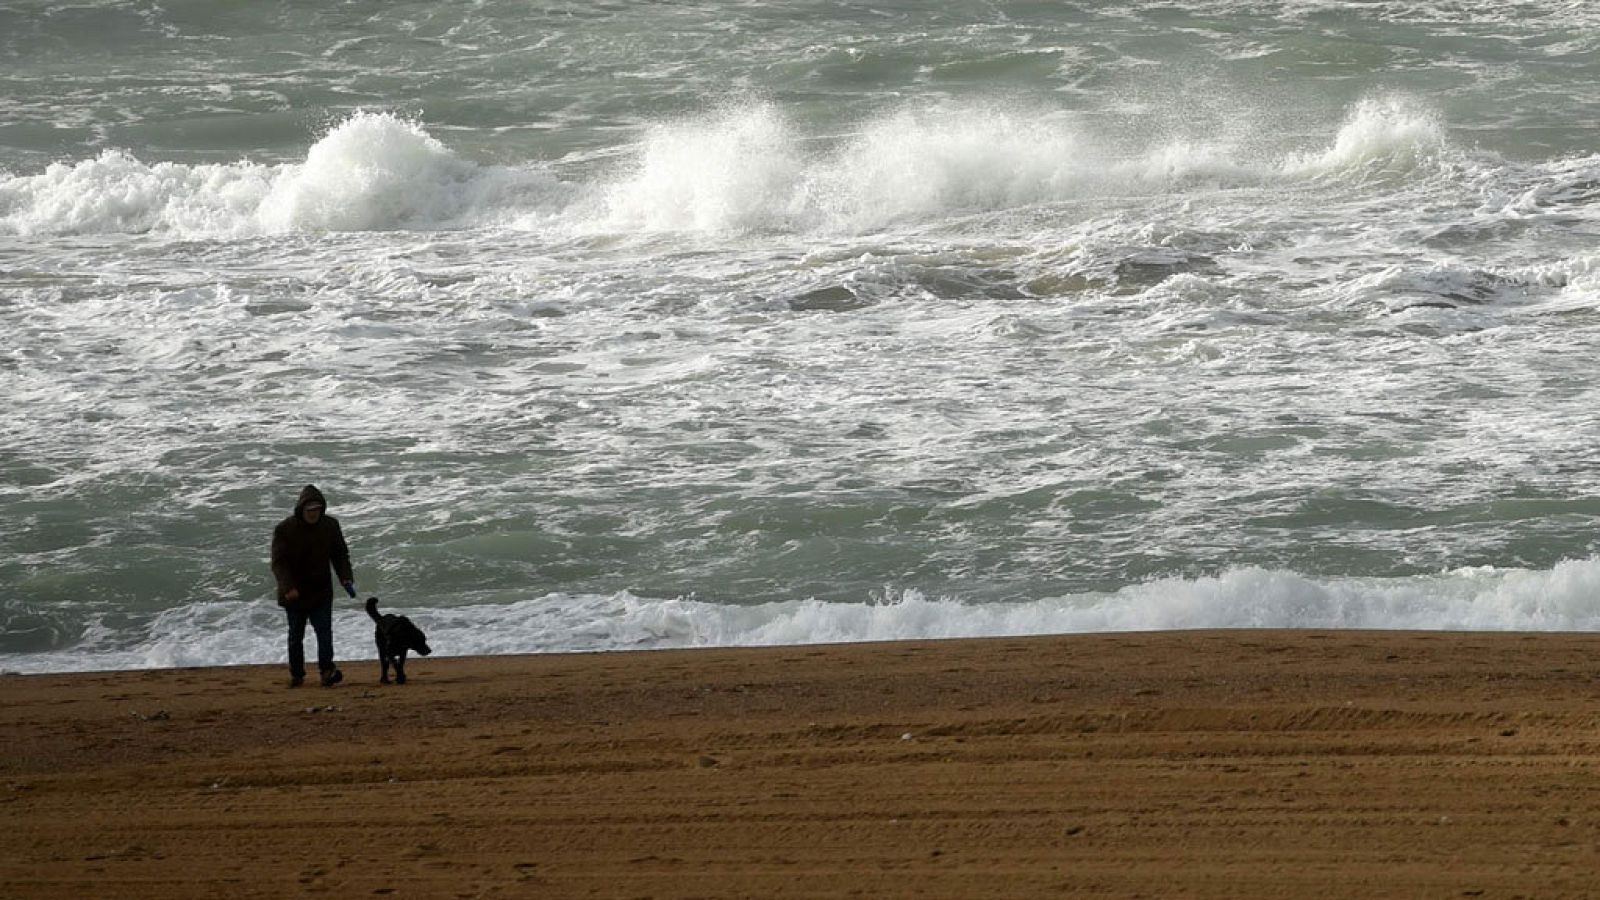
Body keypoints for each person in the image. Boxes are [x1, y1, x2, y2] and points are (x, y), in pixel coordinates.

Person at [270, 484, 356, 687]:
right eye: (310, 510)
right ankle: (297, 675)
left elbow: (340, 555)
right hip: (295, 593)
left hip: (321, 590)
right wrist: (287, 587)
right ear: (302, 509)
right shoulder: (285, 529)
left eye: (317, 509)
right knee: (295, 636)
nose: (314, 514)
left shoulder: (330, 526)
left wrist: (346, 578)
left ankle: (327, 671)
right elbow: (278, 563)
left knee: (324, 632)